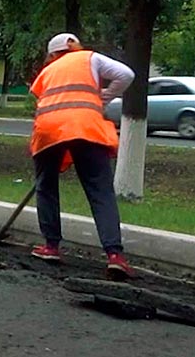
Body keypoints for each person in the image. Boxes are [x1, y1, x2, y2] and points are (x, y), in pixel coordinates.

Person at [29, 32, 137, 278]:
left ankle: (51, 246)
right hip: (87, 127)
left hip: (49, 129)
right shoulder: (91, 59)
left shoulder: (47, 71)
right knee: (100, 191)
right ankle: (114, 255)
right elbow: (126, 75)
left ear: (54, 54)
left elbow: (44, 100)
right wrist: (103, 98)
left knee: (46, 187)